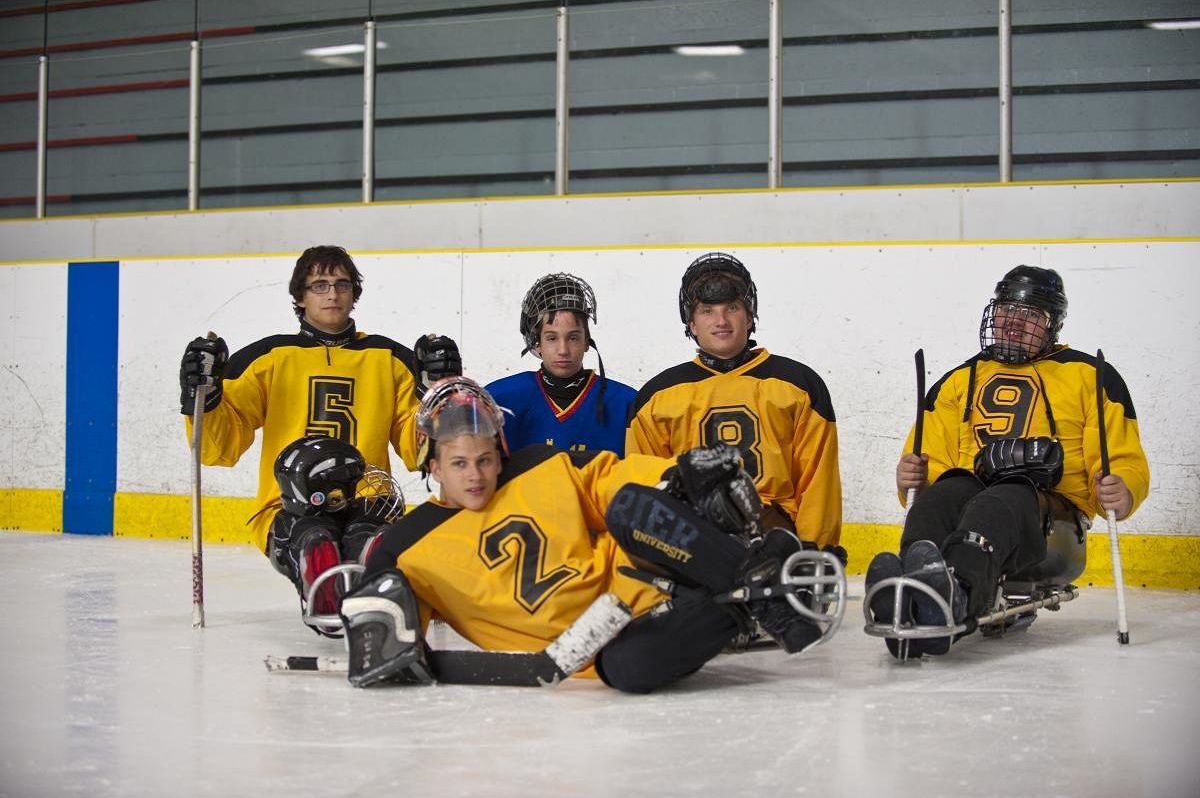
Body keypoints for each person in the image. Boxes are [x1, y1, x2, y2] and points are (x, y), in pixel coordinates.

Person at [338, 377, 845, 693]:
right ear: (432, 464)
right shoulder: (401, 548)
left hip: (650, 577)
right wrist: (379, 635)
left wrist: (679, 473)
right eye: (460, 464)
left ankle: (758, 582)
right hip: (596, 650)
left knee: (628, 507)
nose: (476, 476)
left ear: (501, 452)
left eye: (487, 459)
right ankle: (744, 602)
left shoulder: (538, 465)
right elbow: (397, 629)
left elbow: (612, 480)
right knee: (629, 670)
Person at [866, 265, 1150, 659]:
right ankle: (911, 590)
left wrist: (1123, 486)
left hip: (1055, 524)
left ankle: (958, 596)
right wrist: (912, 476)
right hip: (979, 503)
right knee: (943, 494)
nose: (1014, 322)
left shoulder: (1091, 376)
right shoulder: (959, 380)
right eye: (1005, 310)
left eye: (1031, 314)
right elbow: (930, 458)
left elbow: (1122, 458)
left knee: (1002, 497)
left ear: (1053, 325)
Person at [178, 245, 461, 633]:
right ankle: (326, 584)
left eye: (341, 284)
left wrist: (434, 391)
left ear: (354, 293)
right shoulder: (268, 358)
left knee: (370, 537)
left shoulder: (390, 359)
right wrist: (205, 397)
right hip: (289, 505)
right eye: (319, 285)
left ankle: (373, 584)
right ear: (299, 296)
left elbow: (419, 452)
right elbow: (217, 449)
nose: (332, 294)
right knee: (312, 536)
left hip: (368, 499)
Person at [625, 252, 843, 550]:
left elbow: (818, 483)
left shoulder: (798, 385)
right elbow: (648, 487)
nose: (721, 321)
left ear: (750, 315)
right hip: (695, 533)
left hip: (774, 529)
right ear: (691, 322)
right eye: (707, 311)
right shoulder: (657, 397)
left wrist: (814, 551)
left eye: (732, 307)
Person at [485, 273, 636, 455]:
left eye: (573, 337)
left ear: (587, 341)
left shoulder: (625, 404)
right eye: (552, 338)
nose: (563, 350)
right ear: (536, 342)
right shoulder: (499, 400)